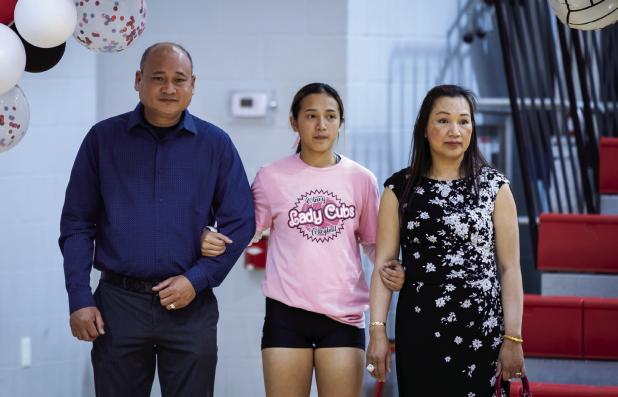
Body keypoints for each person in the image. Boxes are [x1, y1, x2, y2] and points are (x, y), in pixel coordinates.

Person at [58, 42, 255, 397]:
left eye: (179, 79)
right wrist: (79, 297)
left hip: (190, 306)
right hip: (118, 305)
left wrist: (197, 279)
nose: (169, 88)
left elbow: (241, 221)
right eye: (158, 78)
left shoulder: (216, 144)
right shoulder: (102, 140)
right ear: (138, 80)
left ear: (193, 84)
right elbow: (76, 224)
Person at [201, 82, 404, 397]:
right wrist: (212, 237)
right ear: (294, 122)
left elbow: (374, 244)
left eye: (330, 116)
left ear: (340, 123)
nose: (321, 125)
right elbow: (246, 230)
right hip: (286, 314)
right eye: (311, 116)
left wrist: (393, 267)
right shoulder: (271, 176)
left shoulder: (362, 179)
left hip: (344, 316)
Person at [366, 84, 525, 396]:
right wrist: (378, 333)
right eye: (443, 120)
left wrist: (513, 337)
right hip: (420, 329)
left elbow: (510, 269)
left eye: (464, 121)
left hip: (482, 330)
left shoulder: (495, 188)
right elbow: (384, 268)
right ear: (424, 129)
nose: (455, 130)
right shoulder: (398, 189)